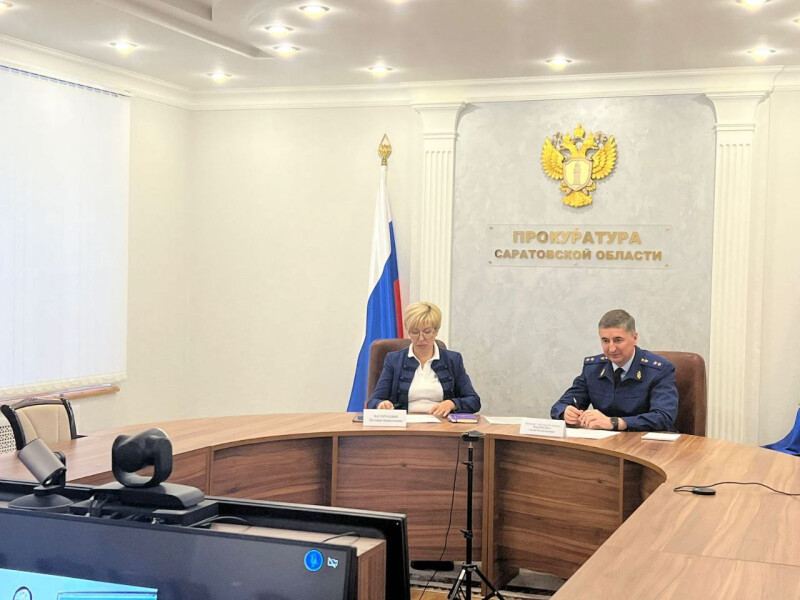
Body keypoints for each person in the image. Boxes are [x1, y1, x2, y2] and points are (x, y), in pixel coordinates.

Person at [551, 309, 678, 432]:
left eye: (618, 340)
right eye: (605, 341)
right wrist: (565, 412)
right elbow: (560, 406)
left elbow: (664, 417)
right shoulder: (593, 368)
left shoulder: (659, 370)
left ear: (635, 338)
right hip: (605, 442)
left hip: (644, 442)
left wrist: (615, 423)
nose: (611, 349)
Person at [367, 301, 480, 416]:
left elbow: (474, 401)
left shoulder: (453, 360)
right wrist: (381, 404)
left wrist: (452, 403)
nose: (421, 338)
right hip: (406, 423)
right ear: (408, 331)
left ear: (436, 331)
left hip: (442, 423)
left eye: (427, 332)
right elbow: (373, 401)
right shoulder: (394, 360)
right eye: (415, 332)